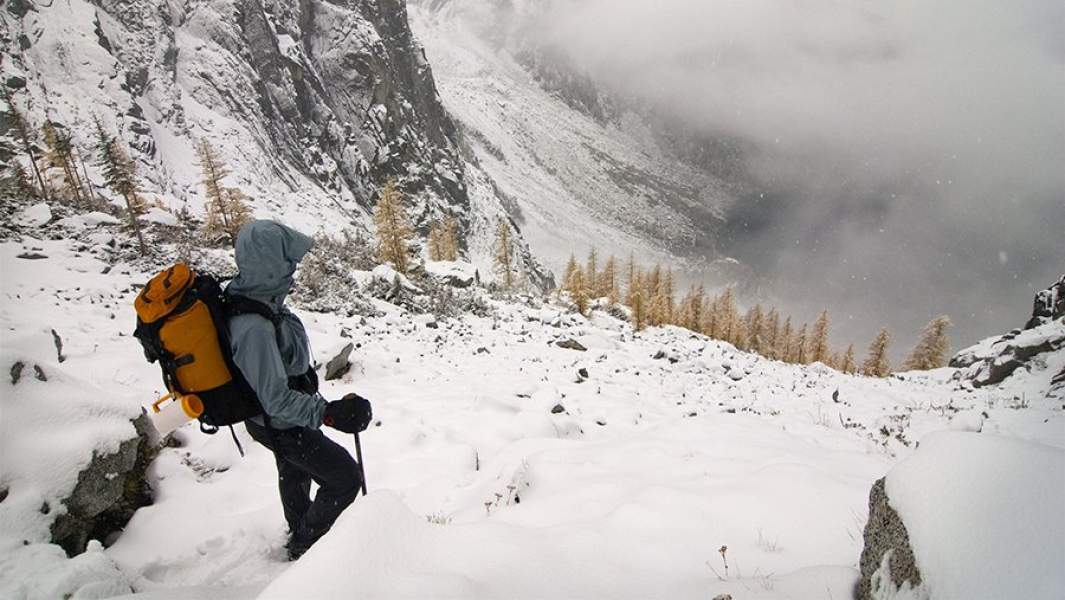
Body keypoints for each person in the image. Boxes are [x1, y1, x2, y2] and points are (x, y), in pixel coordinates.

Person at [225, 219, 372, 560]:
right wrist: (328, 413)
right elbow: (275, 398)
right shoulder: (253, 327)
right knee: (344, 477)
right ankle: (307, 541)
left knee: (294, 468)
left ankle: (298, 527)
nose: (294, 266)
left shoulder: (258, 297)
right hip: (280, 423)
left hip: (274, 421)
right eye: (286, 260)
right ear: (269, 262)